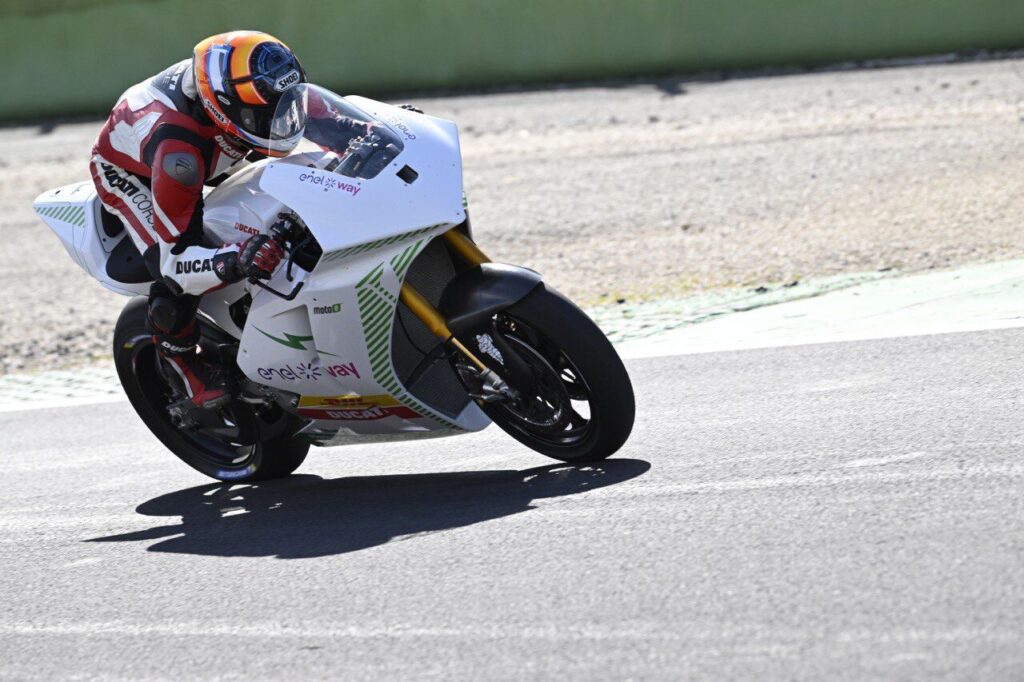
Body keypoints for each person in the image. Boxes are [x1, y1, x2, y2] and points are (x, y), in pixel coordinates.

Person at [89, 31, 306, 408]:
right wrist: (237, 258)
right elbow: (177, 262)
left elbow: (318, 114)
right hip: (132, 172)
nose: (279, 119)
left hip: (210, 140)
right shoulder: (180, 154)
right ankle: (181, 364)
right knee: (174, 270)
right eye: (265, 115)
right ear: (224, 107)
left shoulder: (250, 85)